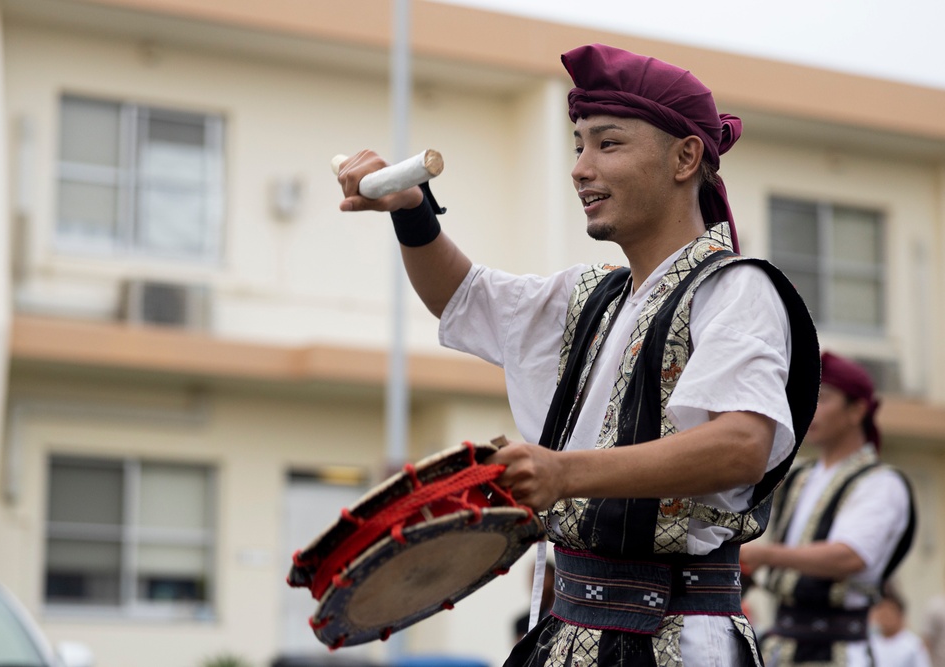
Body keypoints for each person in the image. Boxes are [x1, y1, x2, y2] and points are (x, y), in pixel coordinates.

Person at [337, 44, 820, 667]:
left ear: (685, 156)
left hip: (676, 641)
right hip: (572, 632)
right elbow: (459, 295)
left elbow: (739, 447)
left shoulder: (737, 289)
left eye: (607, 144)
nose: (580, 168)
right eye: (577, 146)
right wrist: (412, 210)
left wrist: (564, 472)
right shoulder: (589, 297)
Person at [739, 352, 916, 666]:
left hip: (839, 650)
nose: (812, 407)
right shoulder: (800, 477)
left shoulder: (881, 483)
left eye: (824, 398)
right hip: (781, 645)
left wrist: (764, 555)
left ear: (857, 409)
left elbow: (849, 556)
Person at [869, 582, 931, 667]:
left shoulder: (913, 645)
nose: (885, 618)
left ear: (900, 615)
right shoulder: (871, 643)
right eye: (882, 614)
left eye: (889, 613)